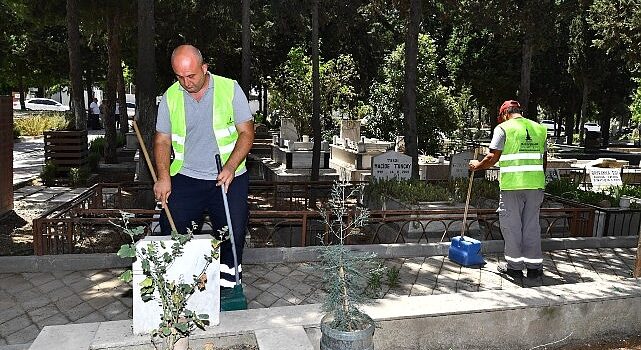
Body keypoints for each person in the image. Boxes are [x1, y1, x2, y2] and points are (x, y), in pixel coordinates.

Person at [153, 44, 254, 290]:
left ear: (204, 68)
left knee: (232, 236)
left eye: (191, 76)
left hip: (229, 177)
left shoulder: (230, 89)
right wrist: (163, 177)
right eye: (180, 77)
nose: (186, 83)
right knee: (173, 233)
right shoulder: (171, 96)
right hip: (187, 177)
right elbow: (162, 140)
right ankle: (180, 289)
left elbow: (247, 132)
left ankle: (229, 287)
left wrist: (230, 166)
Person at [468, 100, 547, 279]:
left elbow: (492, 157)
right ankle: (534, 268)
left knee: (511, 227)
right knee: (531, 226)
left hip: (513, 185)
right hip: (535, 185)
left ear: (504, 114)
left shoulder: (503, 128)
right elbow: (543, 160)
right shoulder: (539, 129)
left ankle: (514, 267)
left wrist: (476, 166)